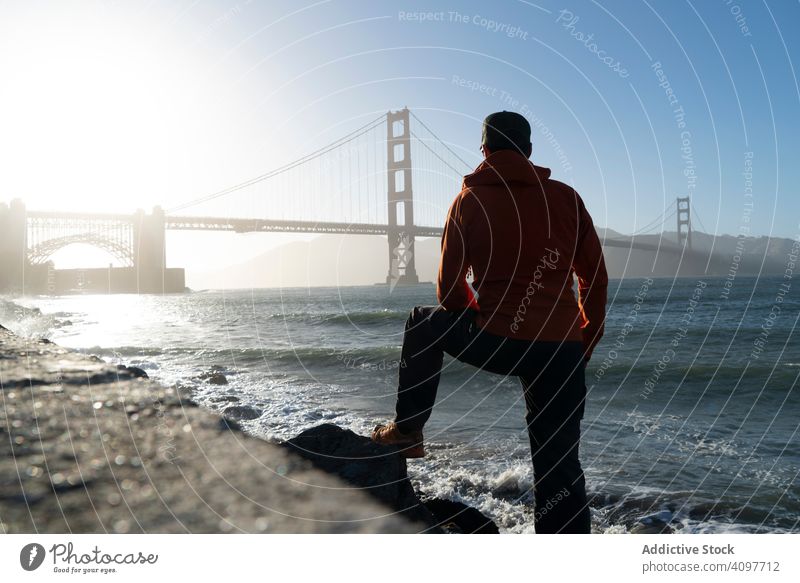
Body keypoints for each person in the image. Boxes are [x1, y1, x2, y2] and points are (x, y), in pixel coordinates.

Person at [371, 111, 608, 534]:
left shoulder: (469, 201)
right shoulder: (568, 198)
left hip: (498, 340)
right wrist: (583, 339)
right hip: (562, 349)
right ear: (530, 151)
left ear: (483, 151)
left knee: (423, 323)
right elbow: (594, 278)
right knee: (559, 464)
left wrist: (477, 315)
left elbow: (447, 291)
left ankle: (408, 431)